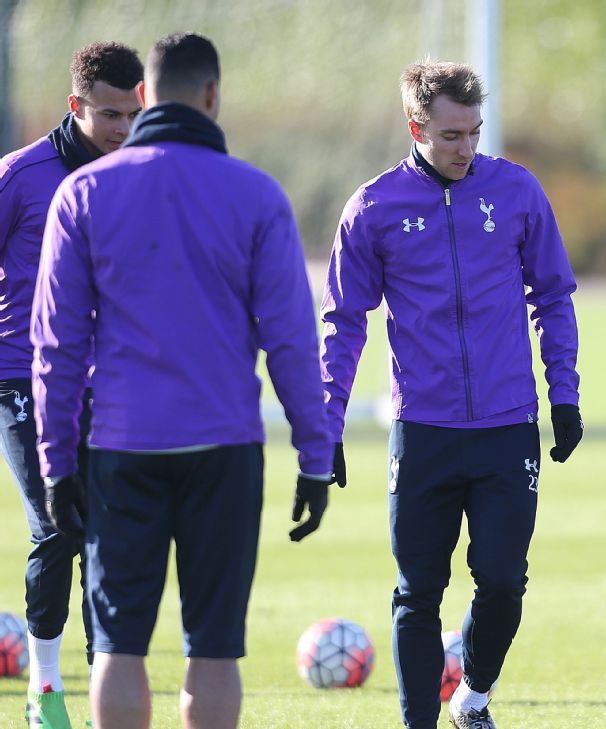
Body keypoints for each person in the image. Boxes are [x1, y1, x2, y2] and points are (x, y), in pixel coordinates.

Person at [32, 32, 334, 729]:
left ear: (142, 98)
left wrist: (55, 464)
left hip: (122, 448)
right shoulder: (257, 195)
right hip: (222, 450)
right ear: (212, 96)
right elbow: (290, 340)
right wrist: (316, 459)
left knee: (118, 646)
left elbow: (58, 346)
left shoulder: (83, 193)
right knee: (215, 651)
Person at [319, 60, 582, 729]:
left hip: (504, 426)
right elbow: (345, 320)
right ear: (416, 127)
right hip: (424, 428)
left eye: (474, 132)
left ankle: (473, 697)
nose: (466, 148)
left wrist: (565, 395)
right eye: (451, 135)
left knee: (501, 579)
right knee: (418, 593)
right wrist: (328, 422)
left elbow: (553, 295)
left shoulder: (517, 192)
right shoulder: (375, 207)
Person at [0, 40, 142, 729]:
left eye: (131, 113)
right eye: (108, 114)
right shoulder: (20, 176)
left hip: (108, 383)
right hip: (21, 375)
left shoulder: (137, 177)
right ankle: (44, 691)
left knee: (108, 540)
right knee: (59, 526)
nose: (121, 128)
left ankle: (101, 701)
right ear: (75, 105)